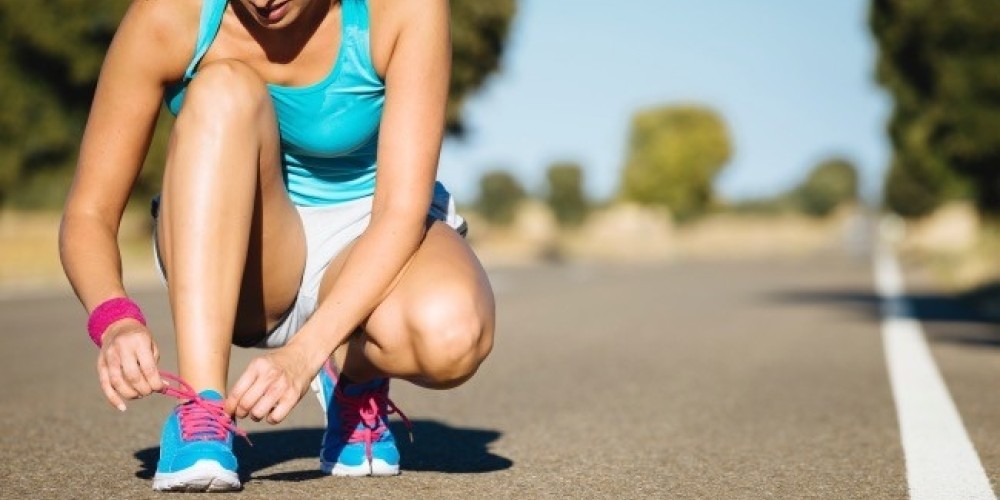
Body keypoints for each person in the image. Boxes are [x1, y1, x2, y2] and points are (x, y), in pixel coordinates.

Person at [59, 0, 495, 492]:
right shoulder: (169, 17)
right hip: (246, 247)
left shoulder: (402, 10)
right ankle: (203, 409)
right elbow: (87, 214)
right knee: (225, 88)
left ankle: (349, 373)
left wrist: (305, 353)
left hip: (372, 230)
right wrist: (114, 319)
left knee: (453, 334)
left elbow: (399, 212)